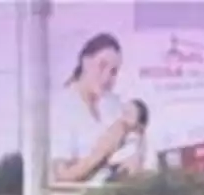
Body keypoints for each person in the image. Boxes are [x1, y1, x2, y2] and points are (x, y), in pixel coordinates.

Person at [54, 33, 147, 185]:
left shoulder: (114, 104)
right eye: (101, 66)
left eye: (113, 71)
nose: (106, 77)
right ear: (85, 62)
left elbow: (134, 140)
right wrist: (101, 152)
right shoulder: (61, 108)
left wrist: (135, 158)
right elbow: (62, 176)